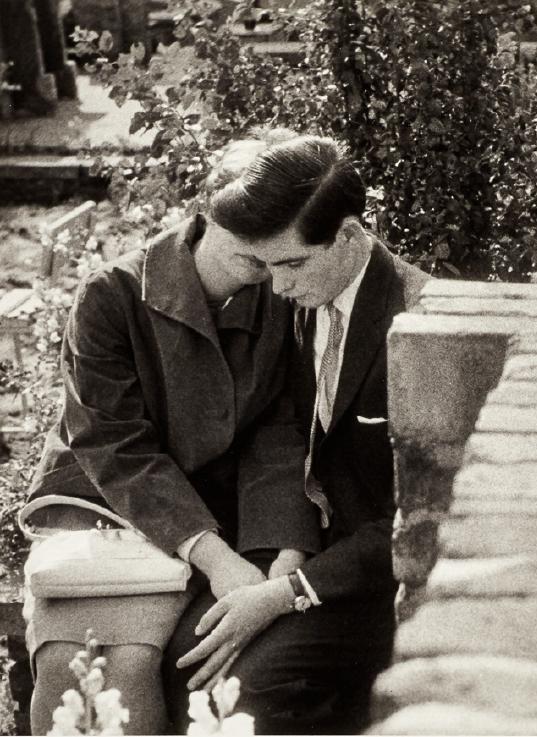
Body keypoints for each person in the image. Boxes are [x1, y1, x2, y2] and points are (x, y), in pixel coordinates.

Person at [21, 136, 321, 735]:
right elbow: (111, 443)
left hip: (229, 511)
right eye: (246, 237)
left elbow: (282, 429)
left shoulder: (282, 298)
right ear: (208, 211)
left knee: (183, 666)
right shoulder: (110, 294)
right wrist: (216, 559)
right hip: (103, 506)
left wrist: (285, 552)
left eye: (276, 243)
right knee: (83, 670)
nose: (264, 259)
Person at [165, 135, 431, 734]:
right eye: (266, 265)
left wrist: (288, 591)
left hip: (378, 581)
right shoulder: (305, 294)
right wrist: (286, 552)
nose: (276, 286)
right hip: (302, 549)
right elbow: (279, 430)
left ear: (349, 235)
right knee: (187, 656)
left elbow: (416, 518)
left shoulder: (419, 325)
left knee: (247, 688)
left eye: (290, 265)